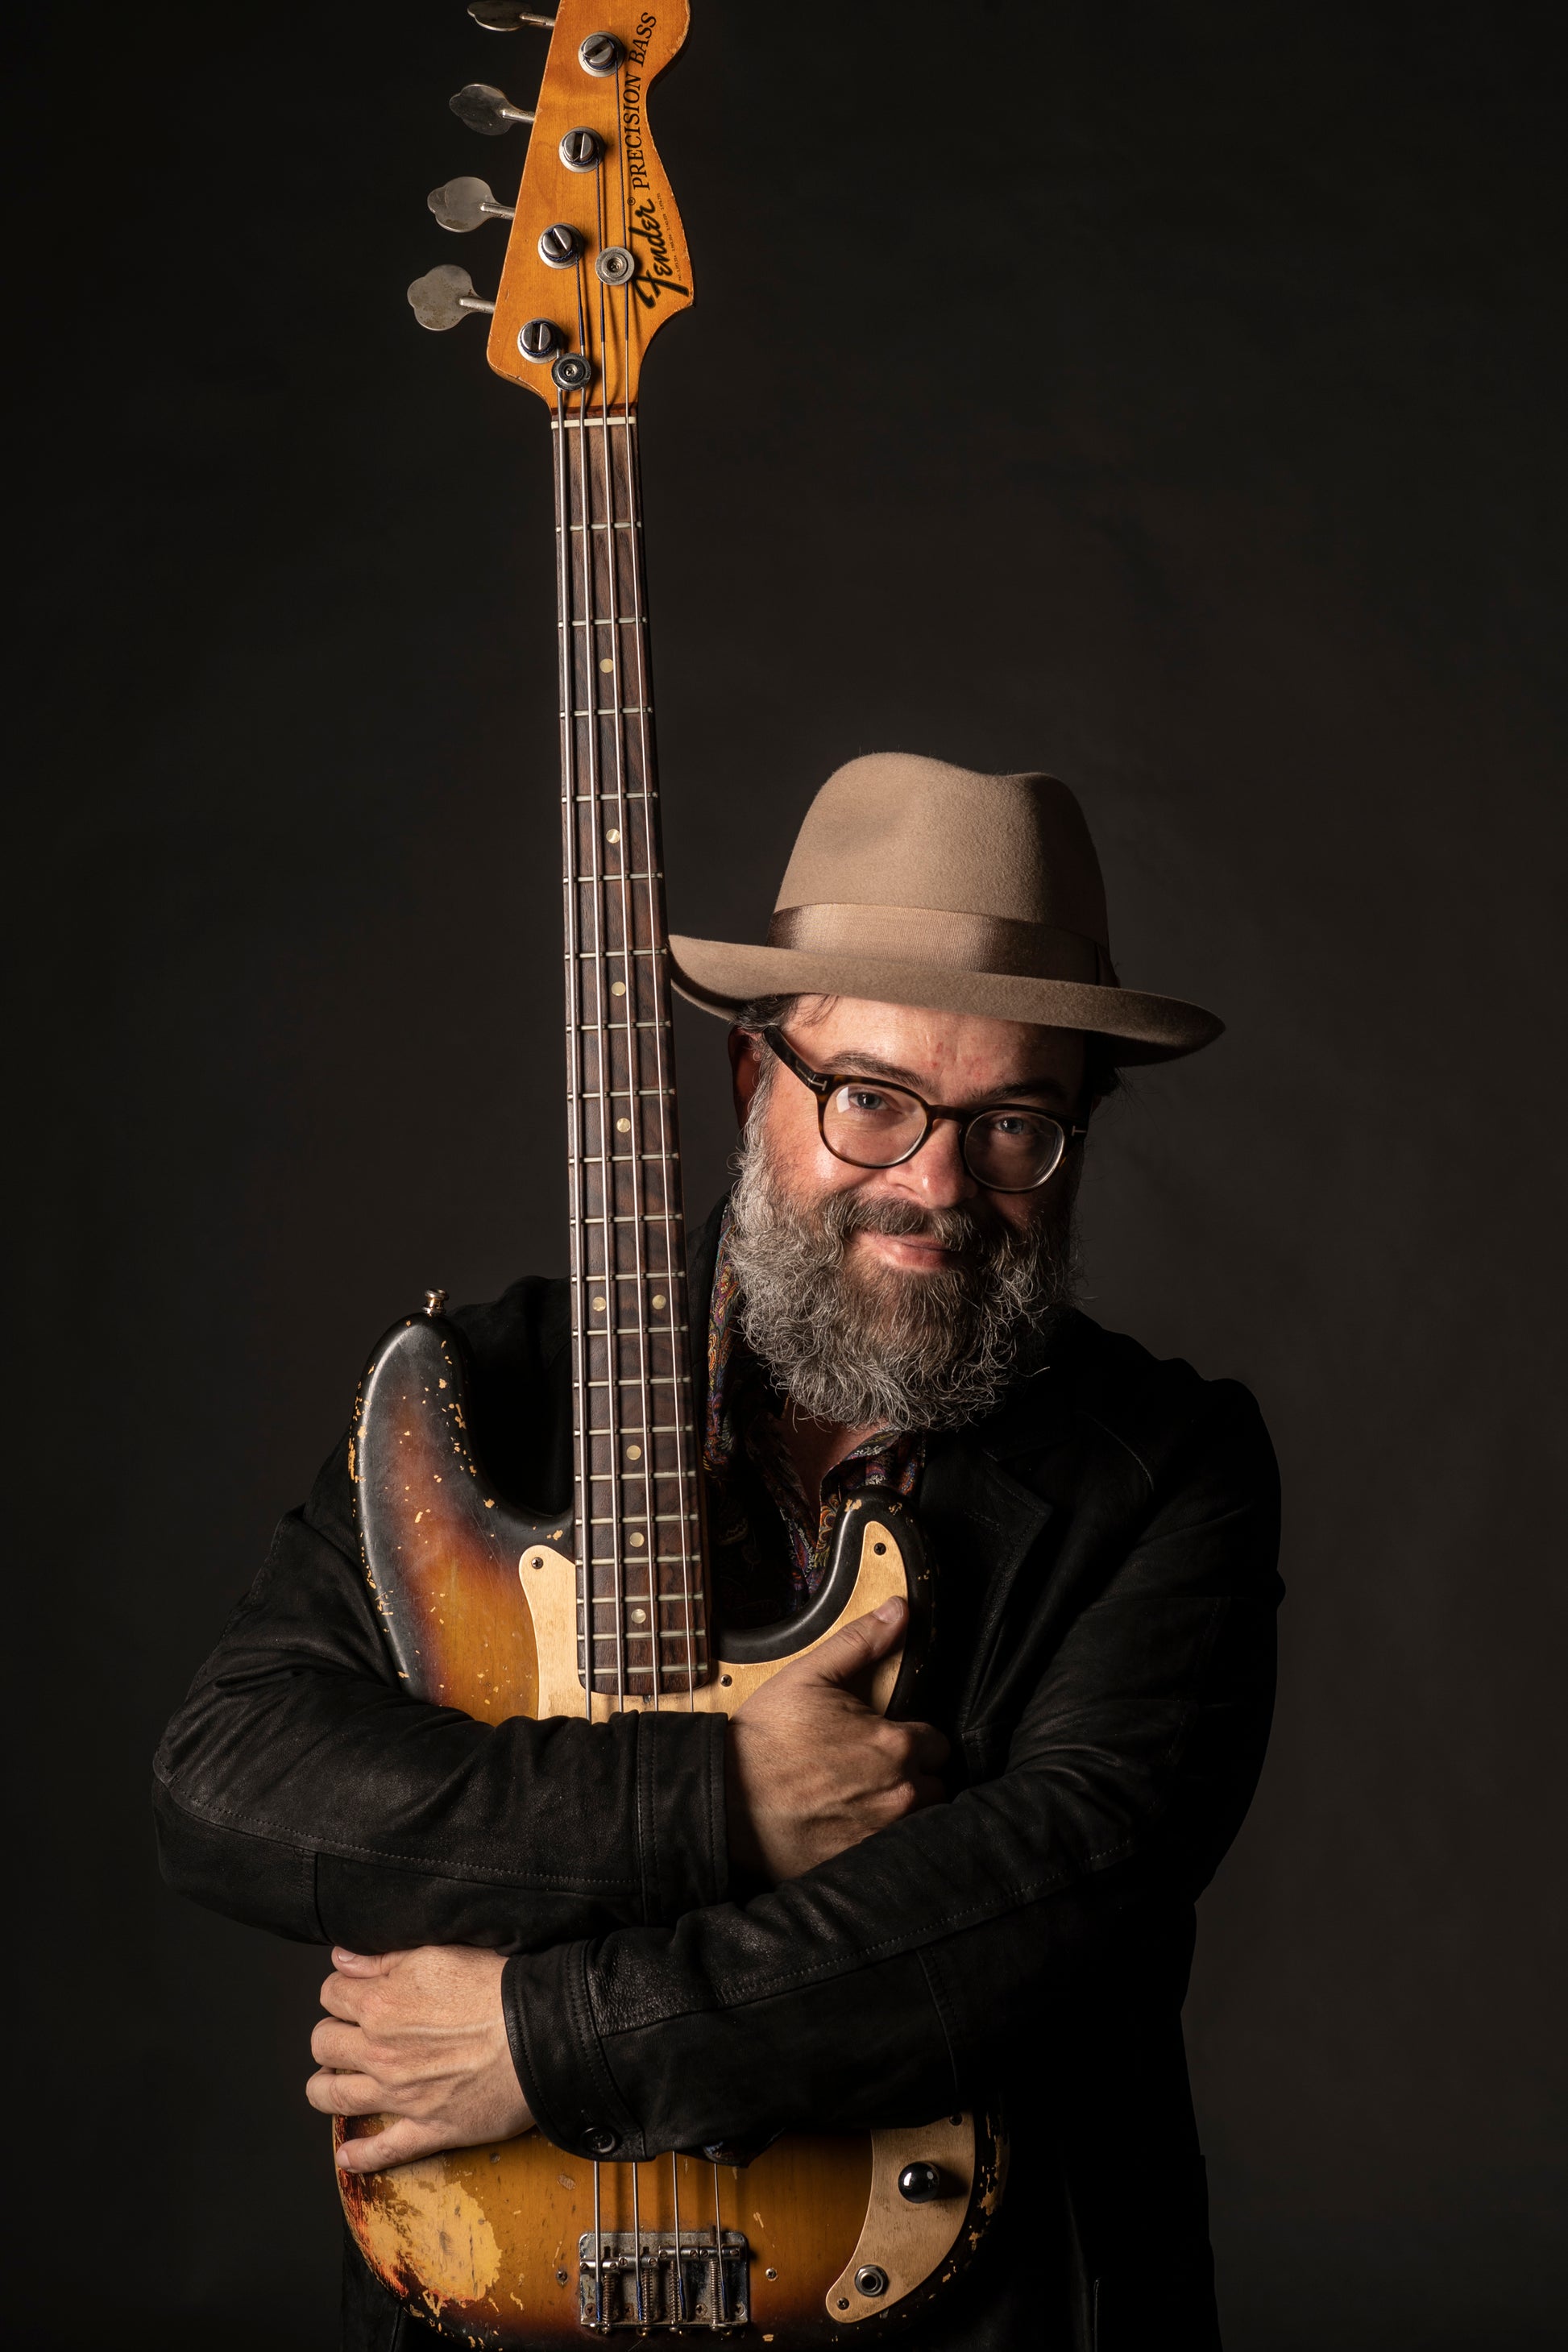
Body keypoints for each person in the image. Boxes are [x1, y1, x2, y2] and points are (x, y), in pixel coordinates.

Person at [156, 753, 1281, 2350]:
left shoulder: (1169, 1468)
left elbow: (1047, 1895)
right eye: (871, 1097)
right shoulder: (484, 1396)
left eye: (1014, 1123)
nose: (936, 1185)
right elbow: (233, 1782)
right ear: (754, 1072)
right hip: (487, 2293)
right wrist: (714, 1800)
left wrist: (545, 2038)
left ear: (1081, 1132)